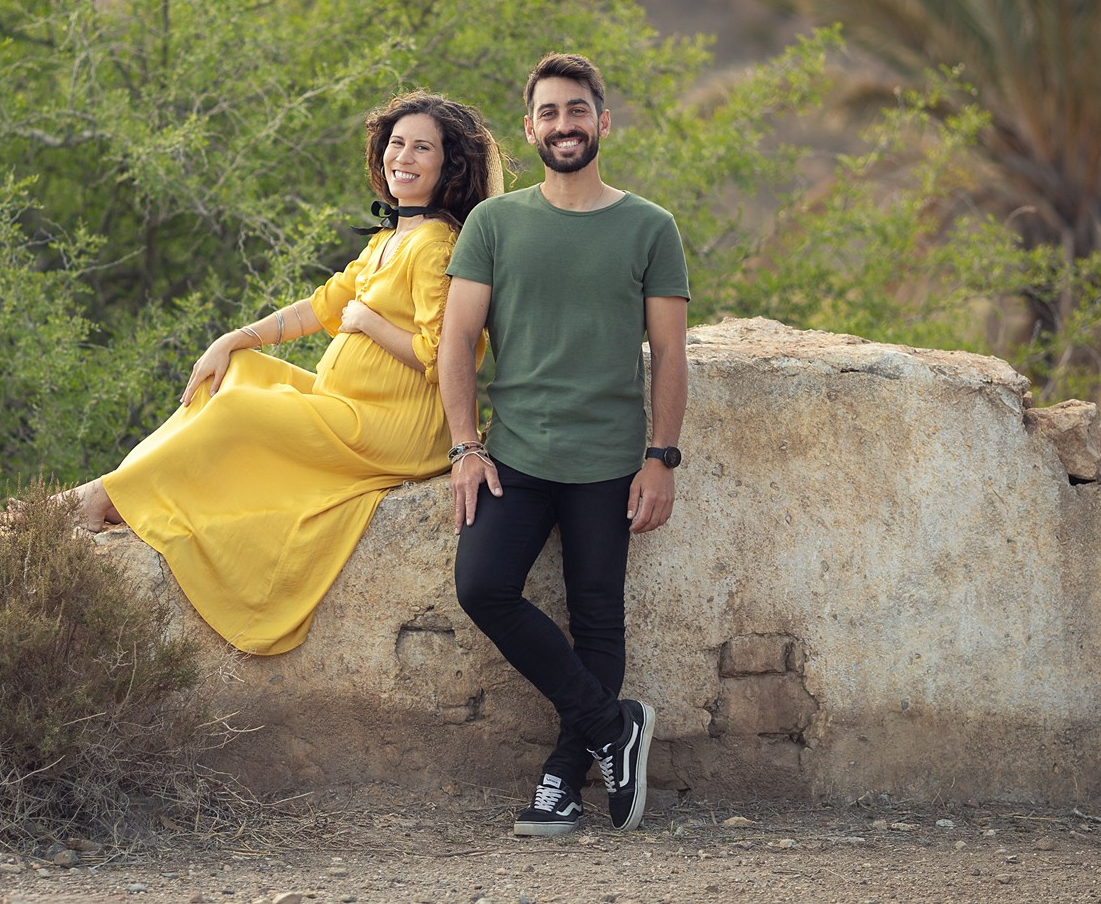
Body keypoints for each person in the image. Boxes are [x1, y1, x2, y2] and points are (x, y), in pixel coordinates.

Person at [74, 91, 504, 655]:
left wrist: (369, 322)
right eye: (397, 143)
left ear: (449, 166)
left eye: (423, 147)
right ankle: (121, 490)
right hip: (348, 405)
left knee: (238, 410)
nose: (404, 156)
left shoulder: (434, 244)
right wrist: (233, 339)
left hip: (396, 427)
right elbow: (318, 307)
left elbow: (441, 353)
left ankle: (104, 498)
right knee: (238, 373)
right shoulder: (391, 239)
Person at [439, 52, 690, 838]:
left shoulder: (650, 226)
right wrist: (463, 446)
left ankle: (559, 779)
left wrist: (662, 457)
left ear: (602, 121)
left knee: (597, 620)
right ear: (530, 128)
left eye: (576, 110)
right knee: (482, 586)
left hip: (610, 461)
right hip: (513, 454)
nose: (564, 124)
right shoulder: (495, 222)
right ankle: (615, 726)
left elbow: (671, 356)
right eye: (548, 112)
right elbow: (456, 340)